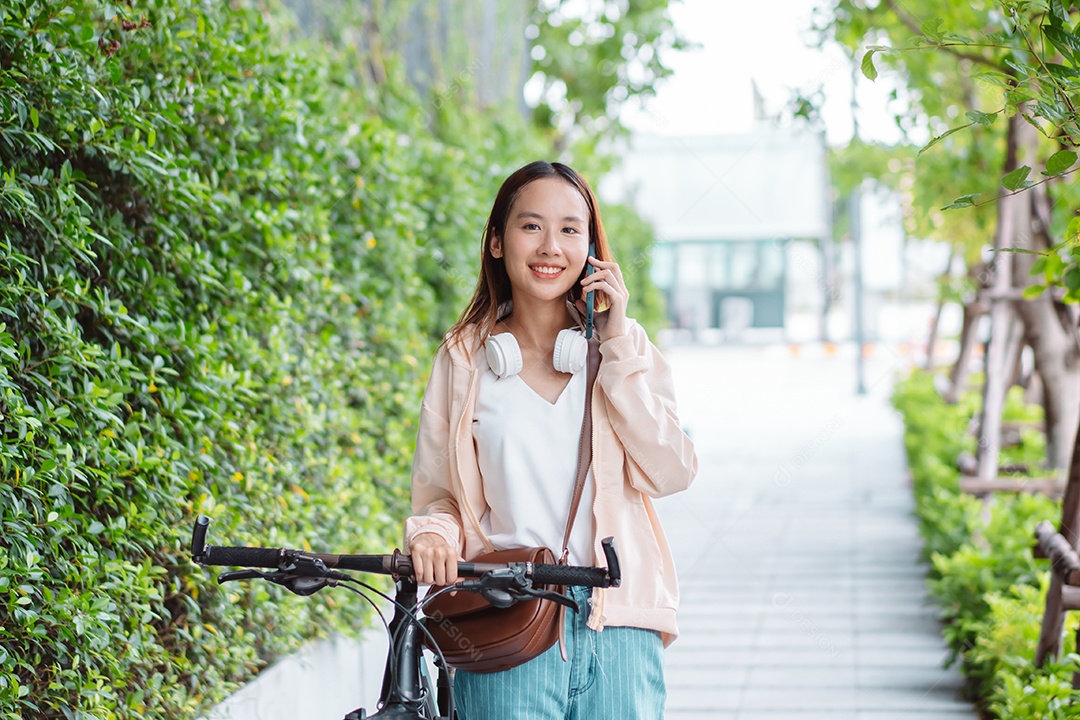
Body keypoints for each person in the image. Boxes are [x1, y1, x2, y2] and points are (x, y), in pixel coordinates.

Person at [404, 160, 698, 719]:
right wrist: (432, 537)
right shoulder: (465, 359)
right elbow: (439, 494)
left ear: (590, 248)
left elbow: (673, 470)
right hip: (506, 616)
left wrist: (614, 347)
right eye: (531, 225)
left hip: (620, 626)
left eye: (569, 229)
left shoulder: (622, 347)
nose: (550, 246)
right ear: (497, 241)